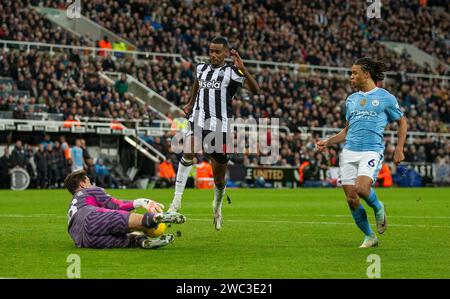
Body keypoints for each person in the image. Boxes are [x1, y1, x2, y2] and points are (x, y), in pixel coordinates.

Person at [168, 36, 260, 230]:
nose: (214, 55)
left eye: (218, 52)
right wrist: (191, 102)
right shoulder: (201, 68)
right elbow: (197, 83)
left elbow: (256, 90)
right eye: (211, 51)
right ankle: (175, 203)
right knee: (188, 152)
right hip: (198, 120)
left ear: (226, 53)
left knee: (218, 179)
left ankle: (217, 206)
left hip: (219, 128)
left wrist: (242, 67)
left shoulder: (232, 72)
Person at [316, 57, 407, 248]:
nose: (351, 76)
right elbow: (347, 130)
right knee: (351, 198)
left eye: (354, 72)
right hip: (349, 151)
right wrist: (328, 142)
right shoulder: (351, 99)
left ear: (366, 74)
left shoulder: (385, 98)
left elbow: (402, 122)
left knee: (362, 189)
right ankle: (370, 236)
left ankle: (378, 207)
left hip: (371, 150)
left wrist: (399, 148)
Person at [64, 170, 186, 249]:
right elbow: (115, 205)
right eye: (89, 181)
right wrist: (141, 201)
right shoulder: (89, 191)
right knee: (127, 218)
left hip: (84, 241)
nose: (91, 183)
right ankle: (157, 218)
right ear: (82, 184)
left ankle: (143, 242)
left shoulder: (73, 205)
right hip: (91, 218)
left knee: (125, 238)